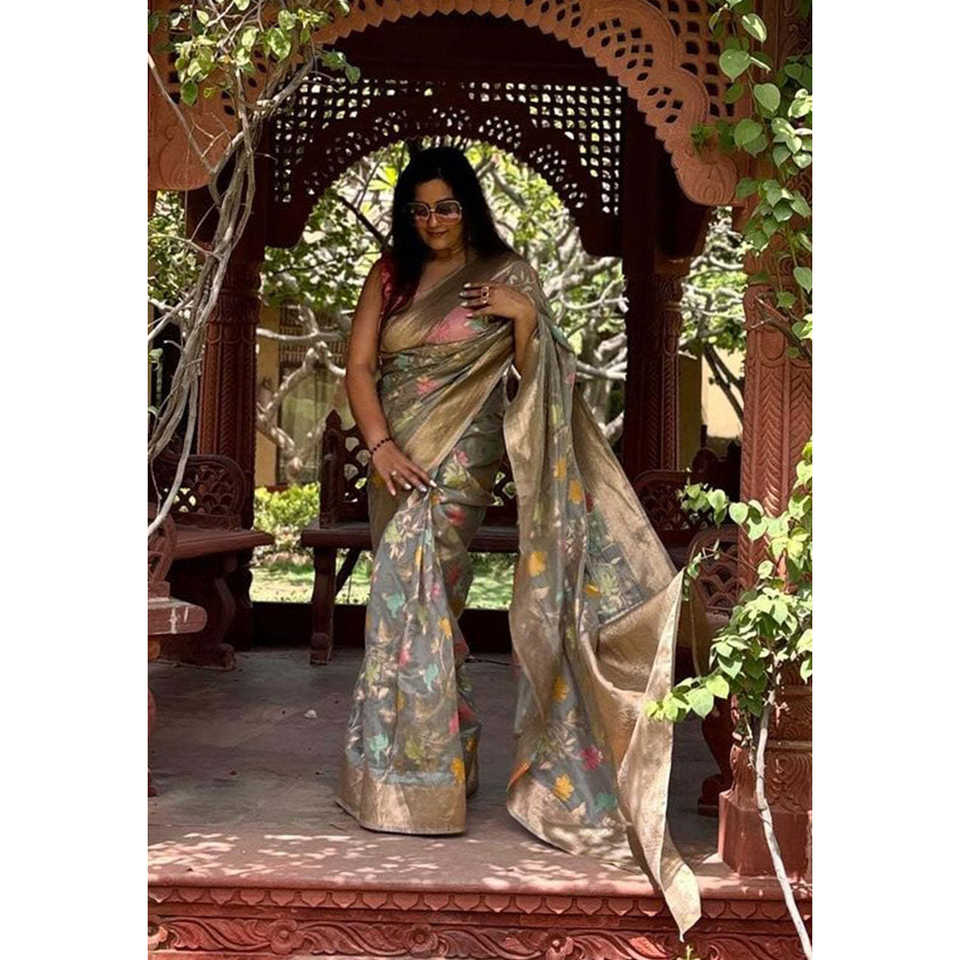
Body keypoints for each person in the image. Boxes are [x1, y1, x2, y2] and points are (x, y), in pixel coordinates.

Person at [337, 146, 700, 936]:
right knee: (406, 605)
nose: (433, 221)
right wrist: (379, 446)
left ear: (469, 206)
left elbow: (543, 382)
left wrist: (526, 318)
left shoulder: (507, 275)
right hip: (394, 459)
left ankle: (426, 772)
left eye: (445, 206)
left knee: (419, 589)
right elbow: (359, 367)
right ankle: (415, 770)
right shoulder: (390, 276)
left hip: (460, 461)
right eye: (419, 209)